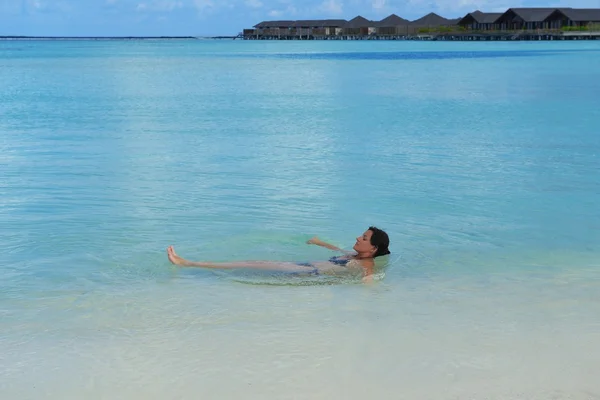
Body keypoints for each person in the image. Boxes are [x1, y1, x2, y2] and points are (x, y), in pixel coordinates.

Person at [166, 226, 391, 281]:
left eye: (363, 238)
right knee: (253, 262)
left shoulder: (367, 265)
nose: (357, 238)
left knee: (251, 264)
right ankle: (191, 264)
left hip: (307, 272)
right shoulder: (355, 256)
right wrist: (319, 242)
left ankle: (188, 264)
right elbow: (337, 251)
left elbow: (368, 280)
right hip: (302, 266)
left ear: (372, 249)